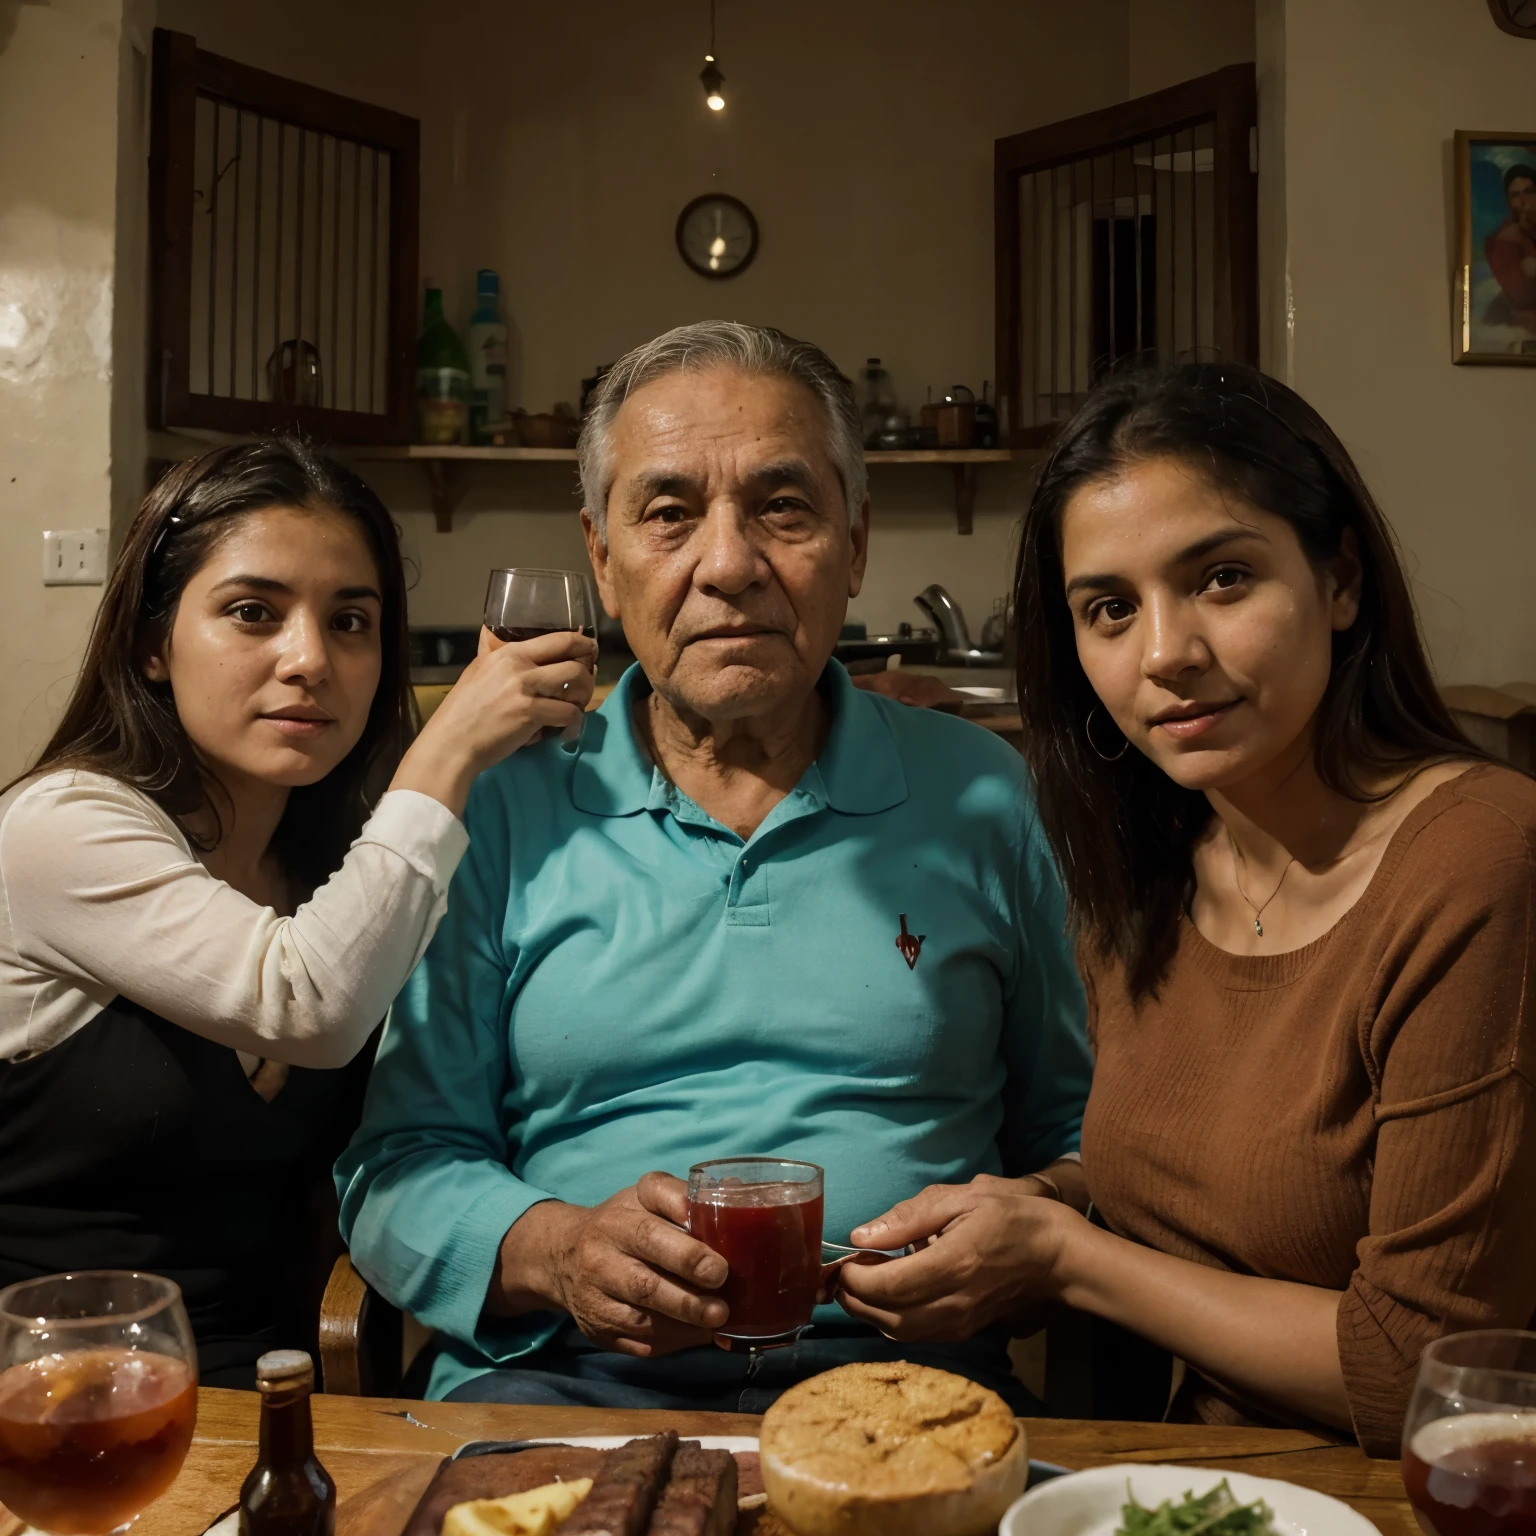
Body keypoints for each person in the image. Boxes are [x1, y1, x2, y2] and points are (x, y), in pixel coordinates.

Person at [335, 321, 1092, 1411]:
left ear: (856, 541)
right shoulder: (499, 805)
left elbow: (1079, 1140)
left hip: (904, 1394)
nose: (729, 564)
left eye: (783, 508)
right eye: (670, 513)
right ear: (601, 558)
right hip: (559, 1387)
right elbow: (396, 1168)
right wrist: (554, 1251)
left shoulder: (983, 793)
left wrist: (1031, 1231)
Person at [835, 362, 1536, 1456]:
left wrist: (1065, 1256)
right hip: (1184, 1485)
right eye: (1108, 608)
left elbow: (1421, 1379)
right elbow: (1196, 1190)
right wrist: (1031, 1210)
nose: (1166, 654)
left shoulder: (1481, 856)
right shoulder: (1150, 861)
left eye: (1220, 579)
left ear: (1339, 578)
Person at [0, 439, 595, 1385]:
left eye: (351, 621)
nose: (310, 660)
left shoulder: (349, 857)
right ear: (153, 644)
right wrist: (446, 752)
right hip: (58, 1397)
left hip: (285, 1396)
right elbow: (306, 1003)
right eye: (252, 613)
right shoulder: (58, 829)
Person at [1485, 162, 1536, 335]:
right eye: (1515, 195)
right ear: (1508, 201)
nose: (1523, 201)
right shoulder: (1501, 241)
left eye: (1529, 192)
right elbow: (1521, 297)